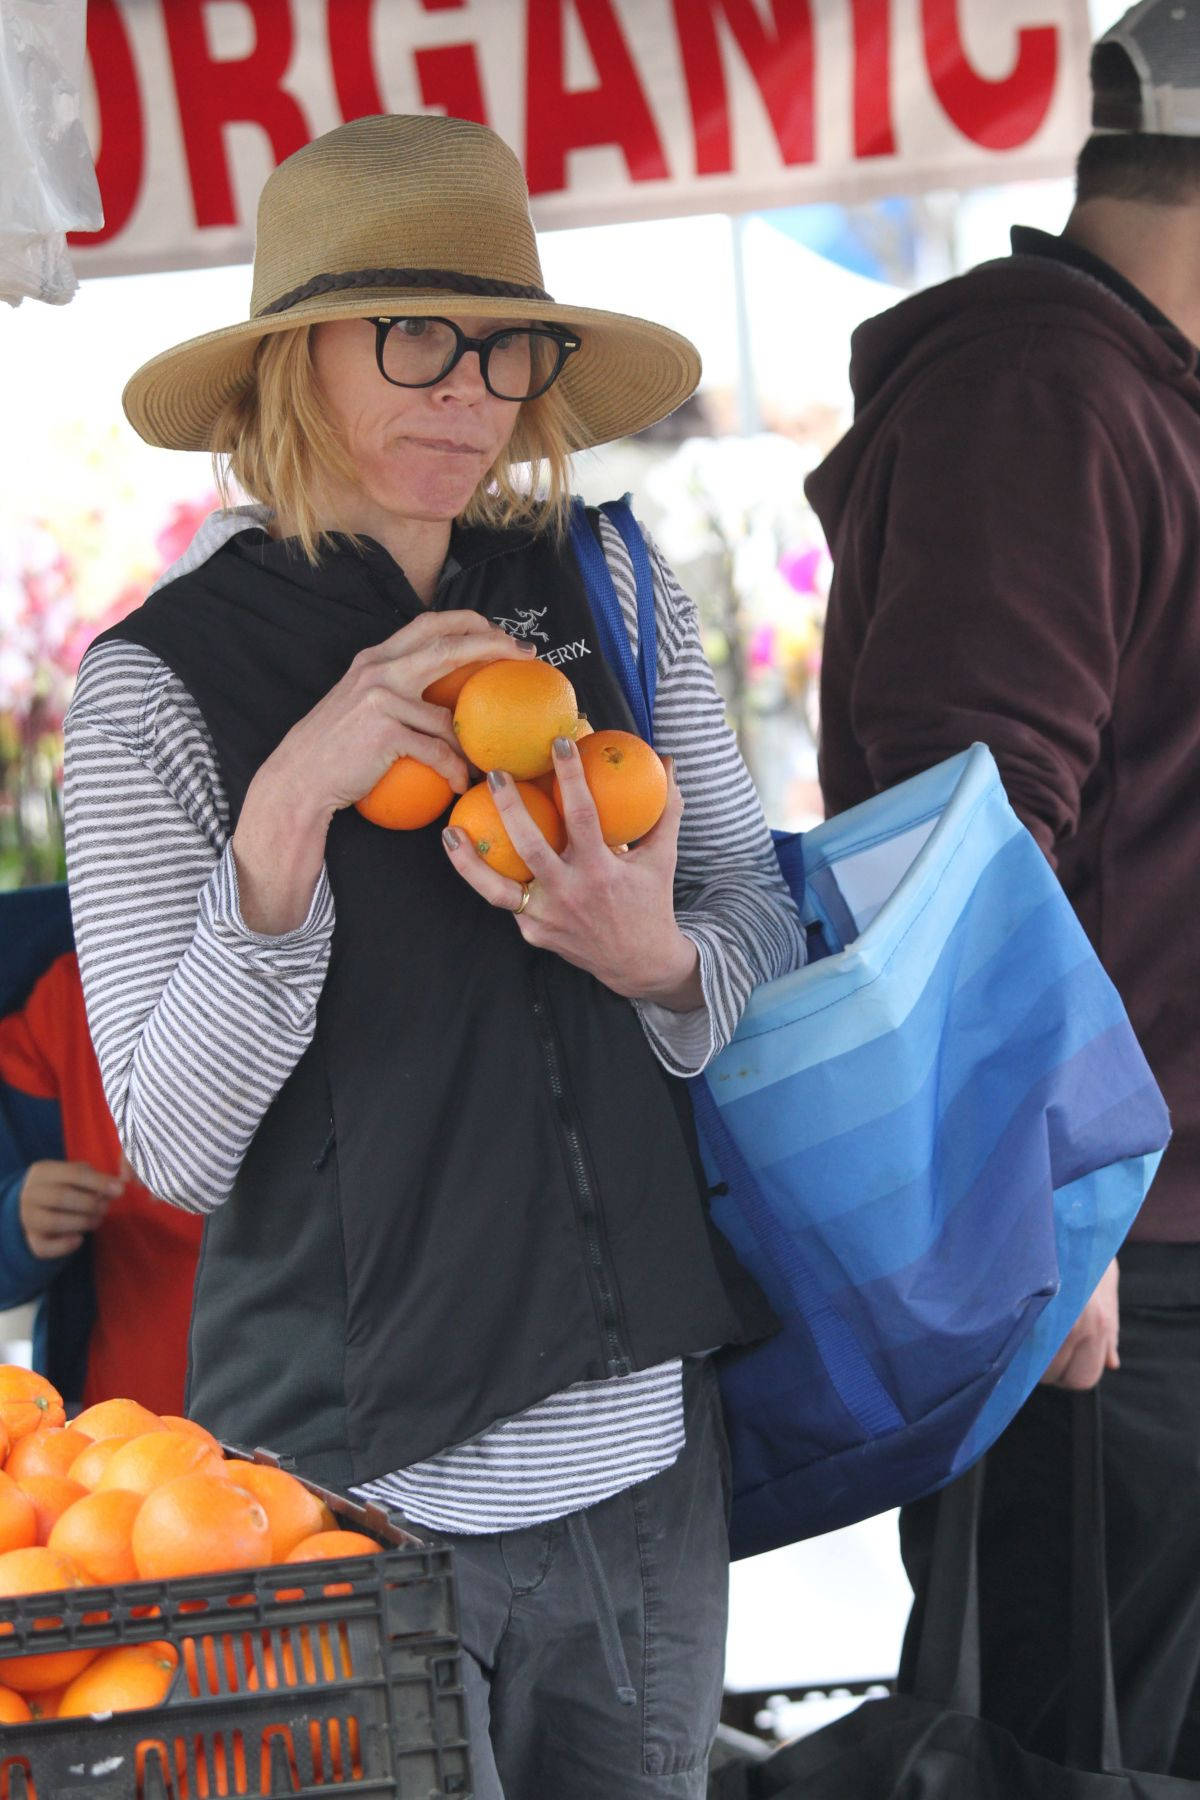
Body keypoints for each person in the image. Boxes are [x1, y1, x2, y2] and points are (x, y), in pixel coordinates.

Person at [62, 113, 804, 1797]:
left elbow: (760, 922)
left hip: (638, 1470)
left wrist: (654, 964)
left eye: (502, 344)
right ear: (289, 358)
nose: (466, 389)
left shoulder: (609, 588)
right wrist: (287, 823)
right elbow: (173, 1148)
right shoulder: (152, 692)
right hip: (329, 1494)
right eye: (412, 334)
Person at [805, 1, 1200, 1778]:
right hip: (1111, 1258)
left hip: (1138, 1237)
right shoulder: (1047, 390)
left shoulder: (1120, 392)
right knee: (1074, 1742)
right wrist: (1035, 1191)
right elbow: (957, 813)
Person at [0, 887, 203, 1414]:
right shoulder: (52, 1006)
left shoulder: (335, 982)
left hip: (307, 1440)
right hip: (110, 1435)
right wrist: (18, 1221)